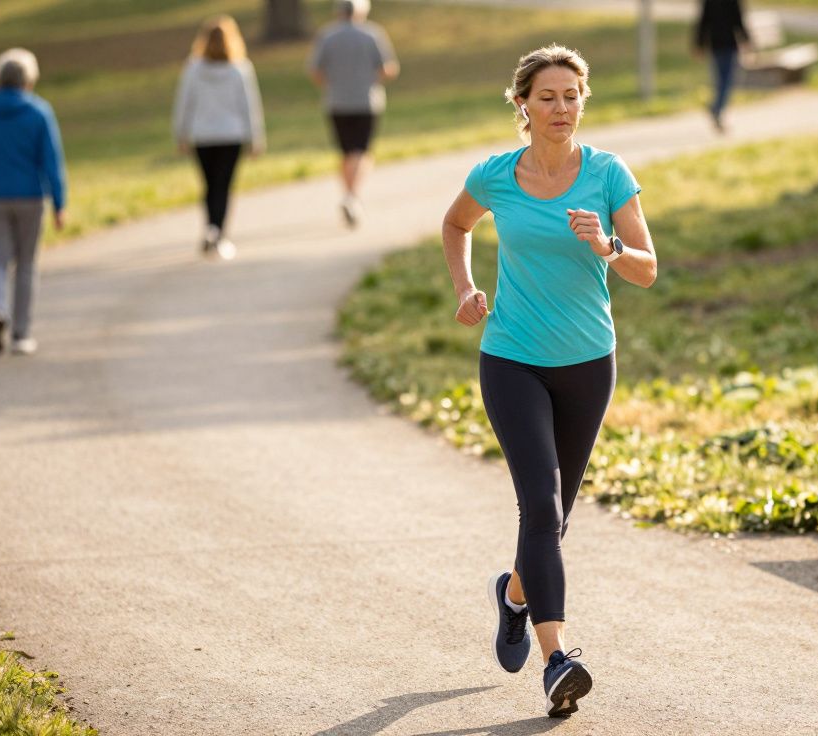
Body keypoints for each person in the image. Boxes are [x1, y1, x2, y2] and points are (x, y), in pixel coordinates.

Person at [440, 45, 657, 718]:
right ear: (522, 105)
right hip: (512, 358)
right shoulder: (497, 175)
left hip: (589, 363)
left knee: (555, 518)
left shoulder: (608, 173)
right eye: (548, 97)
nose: (562, 108)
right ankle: (557, 659)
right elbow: (455, 224)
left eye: (572, 96)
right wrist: (468, 288)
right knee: (540, 502)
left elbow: (648, 268)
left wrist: (608, 247)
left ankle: (513, 596)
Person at [0, 48, 66, 357]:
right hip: (30, 196)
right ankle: (21, 333)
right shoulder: (39, 112)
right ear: (29, 80)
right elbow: (52, 161)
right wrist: (60, 202)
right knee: (26, 264)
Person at [173, 15, 266, 260]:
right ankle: (218, 232)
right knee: (223, 185)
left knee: (209, 184)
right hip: (230, 135)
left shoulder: (193, 69)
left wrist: (180, 133)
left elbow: (184, 104)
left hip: (202, 135)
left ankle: (211, 228)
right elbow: (250, 106)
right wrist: (256, 138)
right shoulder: (240, 69)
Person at [307, 0, 398, 228]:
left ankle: (349, 194)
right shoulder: (372, 34)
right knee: (362, 151)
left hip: (336, 102)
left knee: (346, 151)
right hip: (366, 101)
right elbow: (389, 68)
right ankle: (352, 196)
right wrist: (371, 79)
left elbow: (315, 71)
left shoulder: (327, 36)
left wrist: (333, 83)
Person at [695, 0, 753, 134]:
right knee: (727, 80)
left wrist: (699, 44)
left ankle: (716, 108)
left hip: (717, 44)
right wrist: (746, 40)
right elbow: (738, 20)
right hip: (727, 44)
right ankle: (716, 108)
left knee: (722, 80)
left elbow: (704, 21)